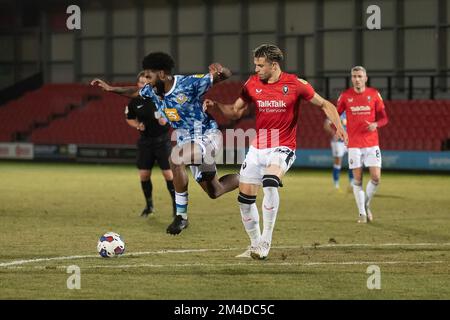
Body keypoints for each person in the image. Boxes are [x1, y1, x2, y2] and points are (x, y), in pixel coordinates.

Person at [203, 44, 347, 260]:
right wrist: (216, 105)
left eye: (260, 65)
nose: (257, 69)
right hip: (258, 147)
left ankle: (265, 241)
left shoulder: (296, 84)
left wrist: (340, 128)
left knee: (270, 181)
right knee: (244, 199)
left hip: (283, 146)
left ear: (274, 65)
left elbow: (326, 105)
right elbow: (235, 111)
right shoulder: (252, 83)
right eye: (255, 65)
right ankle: (255, 245)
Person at [91, 52, 239, 235]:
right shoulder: (152, 91)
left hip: (206, 135)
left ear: (162, 74)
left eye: (148, 75)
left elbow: (225, 75)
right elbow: (135, 92)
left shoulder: (188, 83)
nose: (146, 80)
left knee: (176, 158)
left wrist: (220, 68)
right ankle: (248, 177)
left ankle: (181, 217)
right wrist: (112, 89)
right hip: (186, 140)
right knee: (215, 191)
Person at [336, 66, 388, 223]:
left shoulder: (374, 95)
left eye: (359, 76)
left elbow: (384, 118)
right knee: (357, 180)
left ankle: (366, 205)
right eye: (354, 76)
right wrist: (342, 133)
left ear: (365, 78)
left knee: (376, 178)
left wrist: (376, 125)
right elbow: (334, 118)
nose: (357, 79)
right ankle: (362, 214)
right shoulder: (345, 96)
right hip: (354, 145)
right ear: (351, 78)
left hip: (372, 143)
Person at [125, 71, 176, 218]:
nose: (144, 85)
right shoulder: (134, 101)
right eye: (141, 82)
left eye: (146, 82)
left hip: (162, 141)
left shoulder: (160, 98)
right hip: (145, 142)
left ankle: (176, 208)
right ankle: (149, 206)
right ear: (138, 84)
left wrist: (166, 120)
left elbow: (173, 114)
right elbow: (129, 117)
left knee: (169, 175)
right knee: (144, 175)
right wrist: (137, 125)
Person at [323, 112, 354, 189]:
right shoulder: (335, 113)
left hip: (349, 141)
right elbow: (326, 125)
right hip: (338, 142)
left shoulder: (351, 112)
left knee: (352, 161)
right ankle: (336, 183)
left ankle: (352, 183)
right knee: (338, 161)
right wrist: (333, 132)